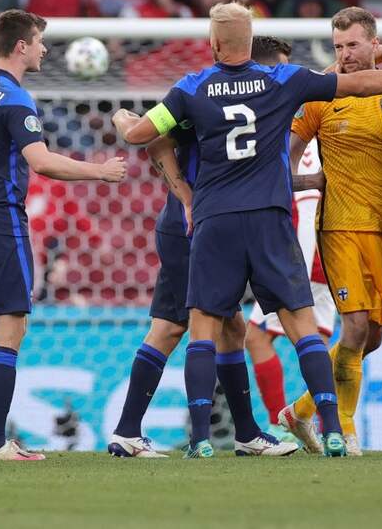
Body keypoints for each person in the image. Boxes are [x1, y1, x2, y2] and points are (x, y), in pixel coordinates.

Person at [112, 1, 382, 458]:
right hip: (269, 219)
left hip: (212, 222)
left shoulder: (190, 89)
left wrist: (123, 120)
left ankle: (204, 440)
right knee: (299, 327)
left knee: (207, 329)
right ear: (251, 37)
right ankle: (332, 429)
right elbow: (358, 83)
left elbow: (142, 134)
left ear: (214, 43)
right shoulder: (284, 80)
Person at [0, 9, 126, 461]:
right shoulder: (16, 99)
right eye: (38, 42)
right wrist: (101, 172)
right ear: (20, 46)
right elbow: (42, 161)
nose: (44, 49)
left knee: (4, 326)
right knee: (12, 327)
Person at [108, 101, 297, 458]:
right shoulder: (201, 97)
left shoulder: (233, 98)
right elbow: (148, 134)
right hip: (194, 229)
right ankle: (236, 434)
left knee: (203, 328)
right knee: (196, 327)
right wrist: (184, 194)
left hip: (197, 228)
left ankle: (130, 431)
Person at [280, 6, 382, 456]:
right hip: (340, 226)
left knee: (373, 337)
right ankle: (344, 430)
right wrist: (312, 182)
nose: (345, 55)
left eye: (353, 45)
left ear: (374, 42)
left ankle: (301, 410)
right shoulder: (321, 97)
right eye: (338, 47)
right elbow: (282, 164)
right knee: (351, 328)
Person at [242, 35, 337, 434]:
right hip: (316, 250)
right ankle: (322, 422)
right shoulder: (296, 117)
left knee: (260, 338)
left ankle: (286, 422)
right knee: (317, 341)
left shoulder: (285, 122)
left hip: (302, 252)